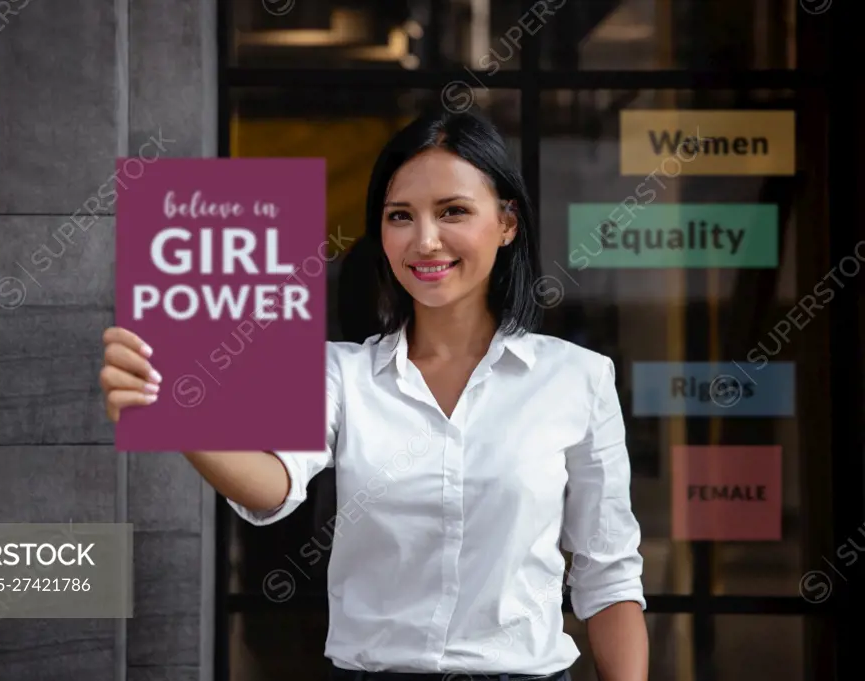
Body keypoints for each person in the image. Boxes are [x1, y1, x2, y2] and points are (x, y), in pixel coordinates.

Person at [100, 109, 648, 681]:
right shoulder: (340, 372)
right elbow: (273, 487)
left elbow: (607, 577)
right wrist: (174, 416)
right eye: (400, 216)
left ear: (507, 221)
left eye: (453, 211)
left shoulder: (576, 378)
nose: (425, 240)